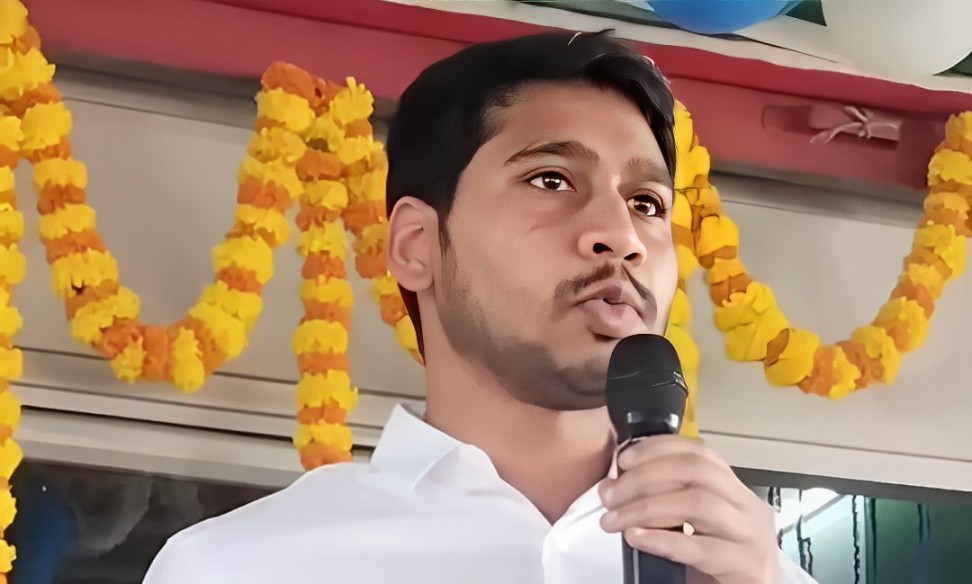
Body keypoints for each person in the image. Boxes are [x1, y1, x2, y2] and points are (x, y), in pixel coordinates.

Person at [143, 31, 816, 583]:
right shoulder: (239, 568)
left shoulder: (757, 576)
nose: (622, 234)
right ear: (415, 245)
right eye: (551, 180)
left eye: (646, 203)